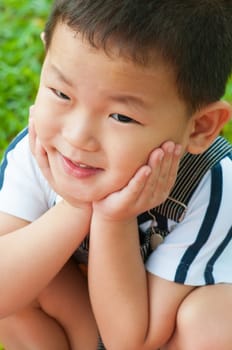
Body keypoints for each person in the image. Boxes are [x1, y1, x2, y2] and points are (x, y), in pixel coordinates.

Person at [0, 0, 231, 349]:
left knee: (212, 323)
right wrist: (76, 207)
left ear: (199, 127)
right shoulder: (40, 151)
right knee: (24, 277)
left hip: (155, 329)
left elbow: (131, 340)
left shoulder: (210, 186)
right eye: (61, 94)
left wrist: (112, 219)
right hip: (85, 320)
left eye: (121, 117)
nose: (77, 137)